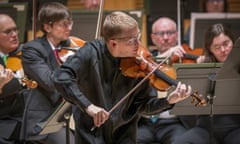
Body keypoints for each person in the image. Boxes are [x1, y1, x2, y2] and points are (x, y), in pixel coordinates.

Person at [52, 11, 192, 144]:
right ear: (113, 43)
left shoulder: (138, 64)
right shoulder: (90, 52)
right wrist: (89, 107)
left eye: (138, 37)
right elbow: (60, 77)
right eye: (132, 41)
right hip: (91, 135)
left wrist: (169, 100)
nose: (139, 45)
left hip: (124, 136)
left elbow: (144, 107)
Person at [20, 2, 81, 144]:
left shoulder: (70, 47)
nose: (69, 28)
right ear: (47, 27)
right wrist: (70, 65)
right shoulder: (32, 50)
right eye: (63, 24)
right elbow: (49, 81)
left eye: (70, 23)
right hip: (44, 120)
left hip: (70, 116)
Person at [173, 23, 240, 144]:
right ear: (210, 49)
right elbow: (195, 102)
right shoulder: (201, 67)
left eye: (226, 44)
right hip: (204, 128)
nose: (223, 50)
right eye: (217, 47)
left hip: (234, 127)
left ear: (233, 42)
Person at [137, 17, 196, 144]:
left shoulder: (186, 60)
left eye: (170, 33)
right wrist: (166, 54)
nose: (165, 37)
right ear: (152, 37)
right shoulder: (144, 59)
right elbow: (143, 63)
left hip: (172, 122)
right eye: (160, 33)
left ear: (177, 35)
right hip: (144, 122)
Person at [0, 14, 26, 144]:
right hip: (5, 126)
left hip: (20, 121)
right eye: (8, 31)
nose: (14, 34)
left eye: (15, 30)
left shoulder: (15, 56)